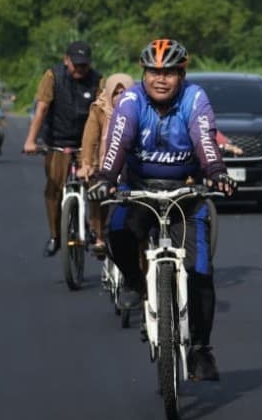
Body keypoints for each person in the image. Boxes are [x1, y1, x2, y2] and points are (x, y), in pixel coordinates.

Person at [89, 38, 236, 382]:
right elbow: (118, 142)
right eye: (154, 71)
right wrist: (106, 176)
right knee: (119, 233)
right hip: (139, 188)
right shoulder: (130, 100)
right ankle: (137, 285)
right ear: (144, 73)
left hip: (187, 190)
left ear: (181, 73)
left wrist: (216, 173)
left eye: (169, 72)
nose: (160, 79)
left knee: (200, 271)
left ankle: (200, 349)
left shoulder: (195, 98)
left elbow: (205, 138)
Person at [24, 41, 102, 256]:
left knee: (96, 188)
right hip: (57, 141)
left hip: (86, 144)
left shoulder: (97, 80)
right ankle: (55, 235)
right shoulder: (53, 76)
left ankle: (97, 233)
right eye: (75, 64)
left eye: (84, 65)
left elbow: (104, 112)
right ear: (66, 60)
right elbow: (42, 108)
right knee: (53, 188)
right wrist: (31, 140)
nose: (79, 69)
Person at [78, 72, 135, 259]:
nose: (120, 97)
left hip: (131, 167)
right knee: (96, 190)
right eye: (116, 93)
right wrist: (86, 164)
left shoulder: (139, 109)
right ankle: (99, 237)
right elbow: (90, 139)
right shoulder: (99, 109)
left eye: (124, 92)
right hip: (103, 166)